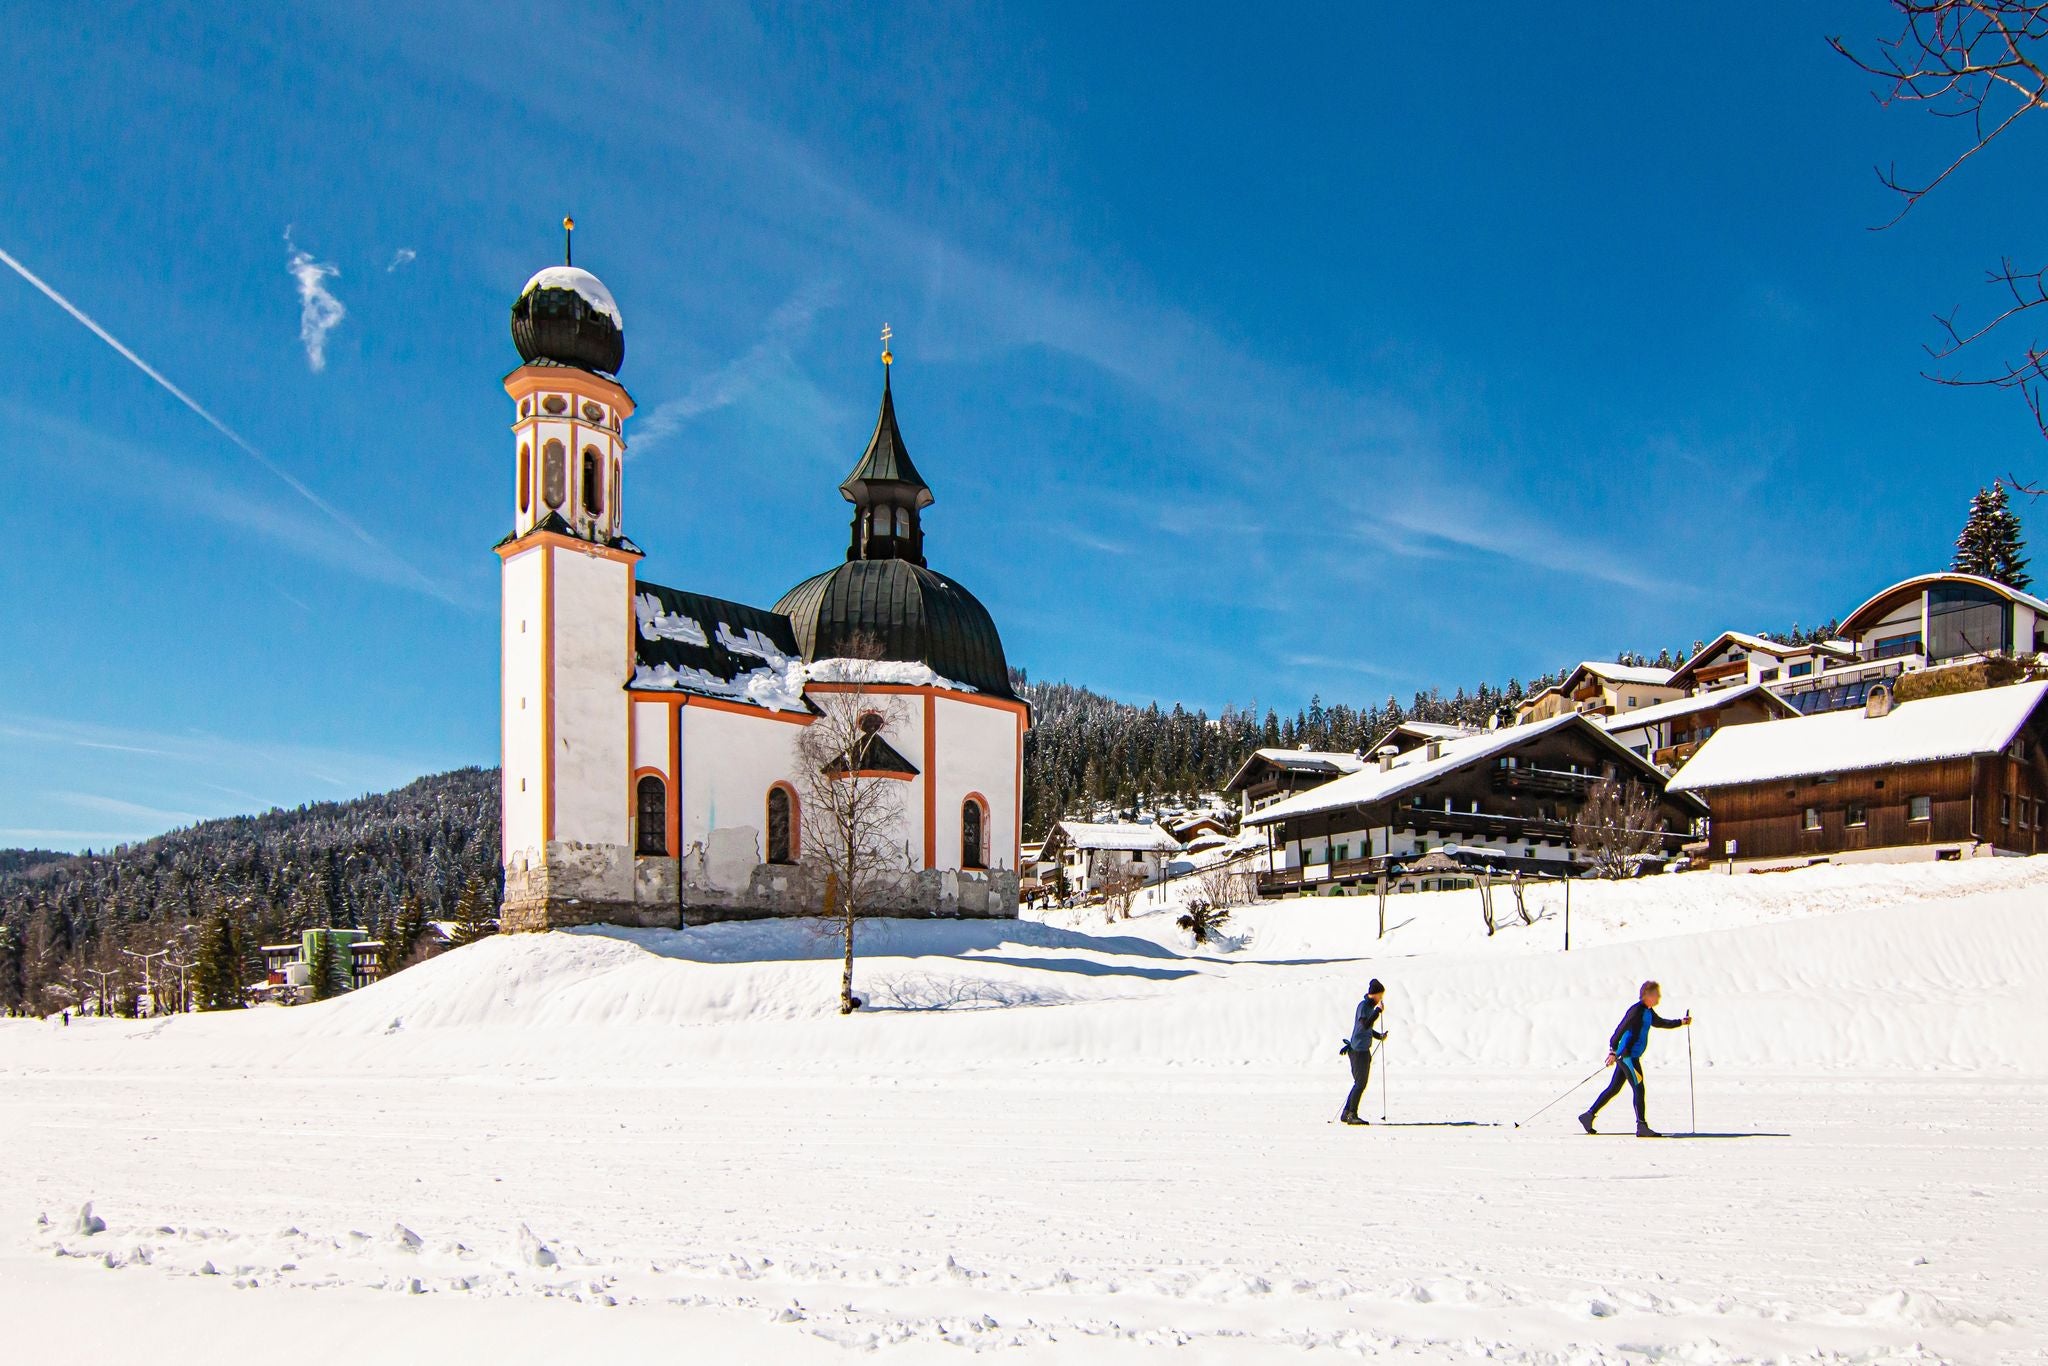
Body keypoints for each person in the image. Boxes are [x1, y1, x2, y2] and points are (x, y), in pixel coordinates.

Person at [1580, 980, 1689, 1137]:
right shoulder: (1636, 1010)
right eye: (1657, 994)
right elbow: (1620, 1029)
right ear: (1648, 995)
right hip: (1628, 1056)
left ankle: (1588, 1116)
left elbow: (1660, 1023)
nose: (1659, 997)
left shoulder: (1648, 1011)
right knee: (1639, 1088)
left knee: (1614, 1088)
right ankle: (1642, 1126)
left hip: (1627, 1056)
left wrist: (1681, 1022)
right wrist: (1612, 1050)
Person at [1337, 979, 1388, 1125]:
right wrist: (1378, 1011)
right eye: (1381, 994)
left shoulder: (1367, 1006)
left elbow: (1367, 1028)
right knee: (1360, 1083)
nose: (1382, 997)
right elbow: (1365, 1024)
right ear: (1375, 994)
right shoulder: (1365, 1006)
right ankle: (1352, 1114)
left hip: (1362, 1049)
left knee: (1359, 1083)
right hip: (1358, 1050)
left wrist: (1379, 1036)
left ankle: (1347, 1112)